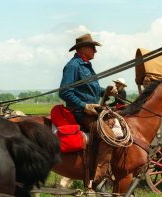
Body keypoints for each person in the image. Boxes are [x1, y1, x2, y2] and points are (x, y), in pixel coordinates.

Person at [59, 33, 116, 190]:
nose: (95, 52)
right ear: (83, 49)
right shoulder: (73, 66)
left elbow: (92, 90)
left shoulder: (86, 65)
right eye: (93, 48)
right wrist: (84, 106)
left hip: (89, 110)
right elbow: (64, 92)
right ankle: (98, 178)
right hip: (79, 112)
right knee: (108, 135)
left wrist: (106, 92)